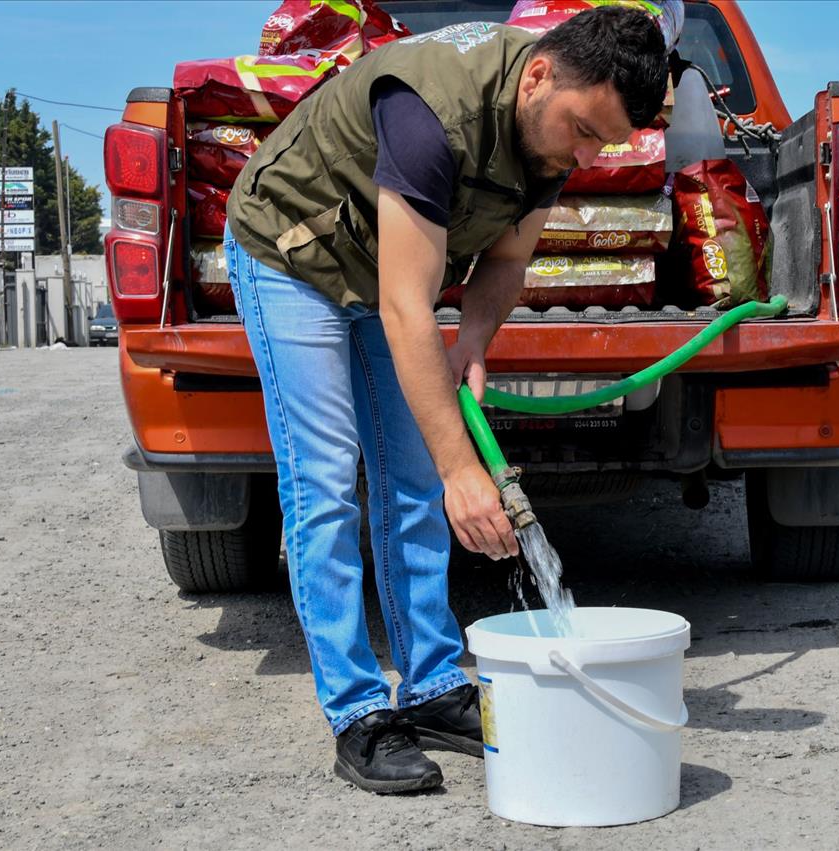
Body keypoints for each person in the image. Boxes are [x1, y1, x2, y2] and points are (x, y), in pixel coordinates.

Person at [224, 7, 668, 794]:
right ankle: (359, 712)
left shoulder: (552, 130)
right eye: (585, 131)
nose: (589, 154)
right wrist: (466, 470)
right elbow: (403, 306)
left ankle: (429, 686)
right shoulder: (434, 114)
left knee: (411, 484)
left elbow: (506, 258)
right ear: (539, 75)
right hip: (292, 250)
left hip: (384, 268)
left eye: (605, 141)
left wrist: (472, 340)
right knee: (326, 484)